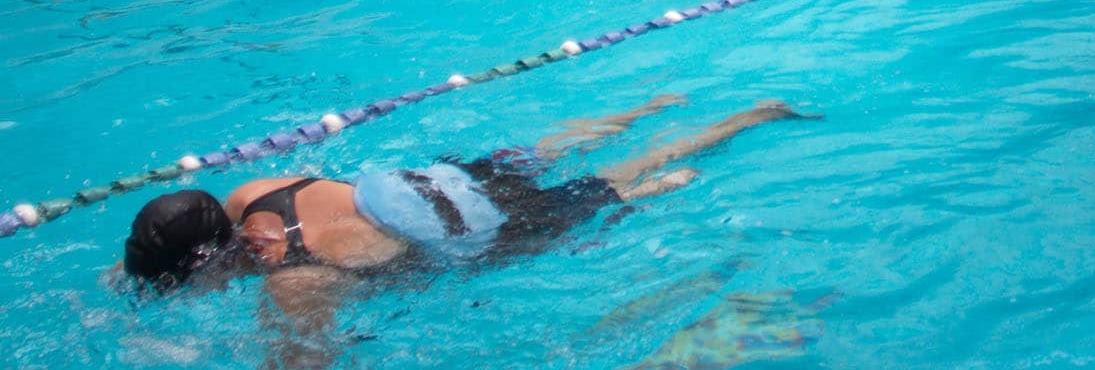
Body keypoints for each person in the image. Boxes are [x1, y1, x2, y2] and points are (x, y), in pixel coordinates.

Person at [122, 97, 815, 363]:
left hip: (491, 226)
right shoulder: (251, 192)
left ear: (209, 264)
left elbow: (304, 363)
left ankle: (739, 123)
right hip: (445, 179)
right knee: (549, 150)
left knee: (623, 182)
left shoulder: (294, 286)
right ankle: (646, 106)